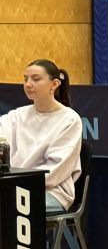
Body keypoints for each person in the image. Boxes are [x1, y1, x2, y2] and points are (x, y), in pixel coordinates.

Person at [0, 59, 82, 213]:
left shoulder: (70, 120)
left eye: (36, 79)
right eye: (26, 79)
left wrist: (16, 185)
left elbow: (55, 172)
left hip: (51, 191)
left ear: (54, 84)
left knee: (8, 209)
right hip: (12, 186)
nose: (28, 84)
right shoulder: (16, 115)